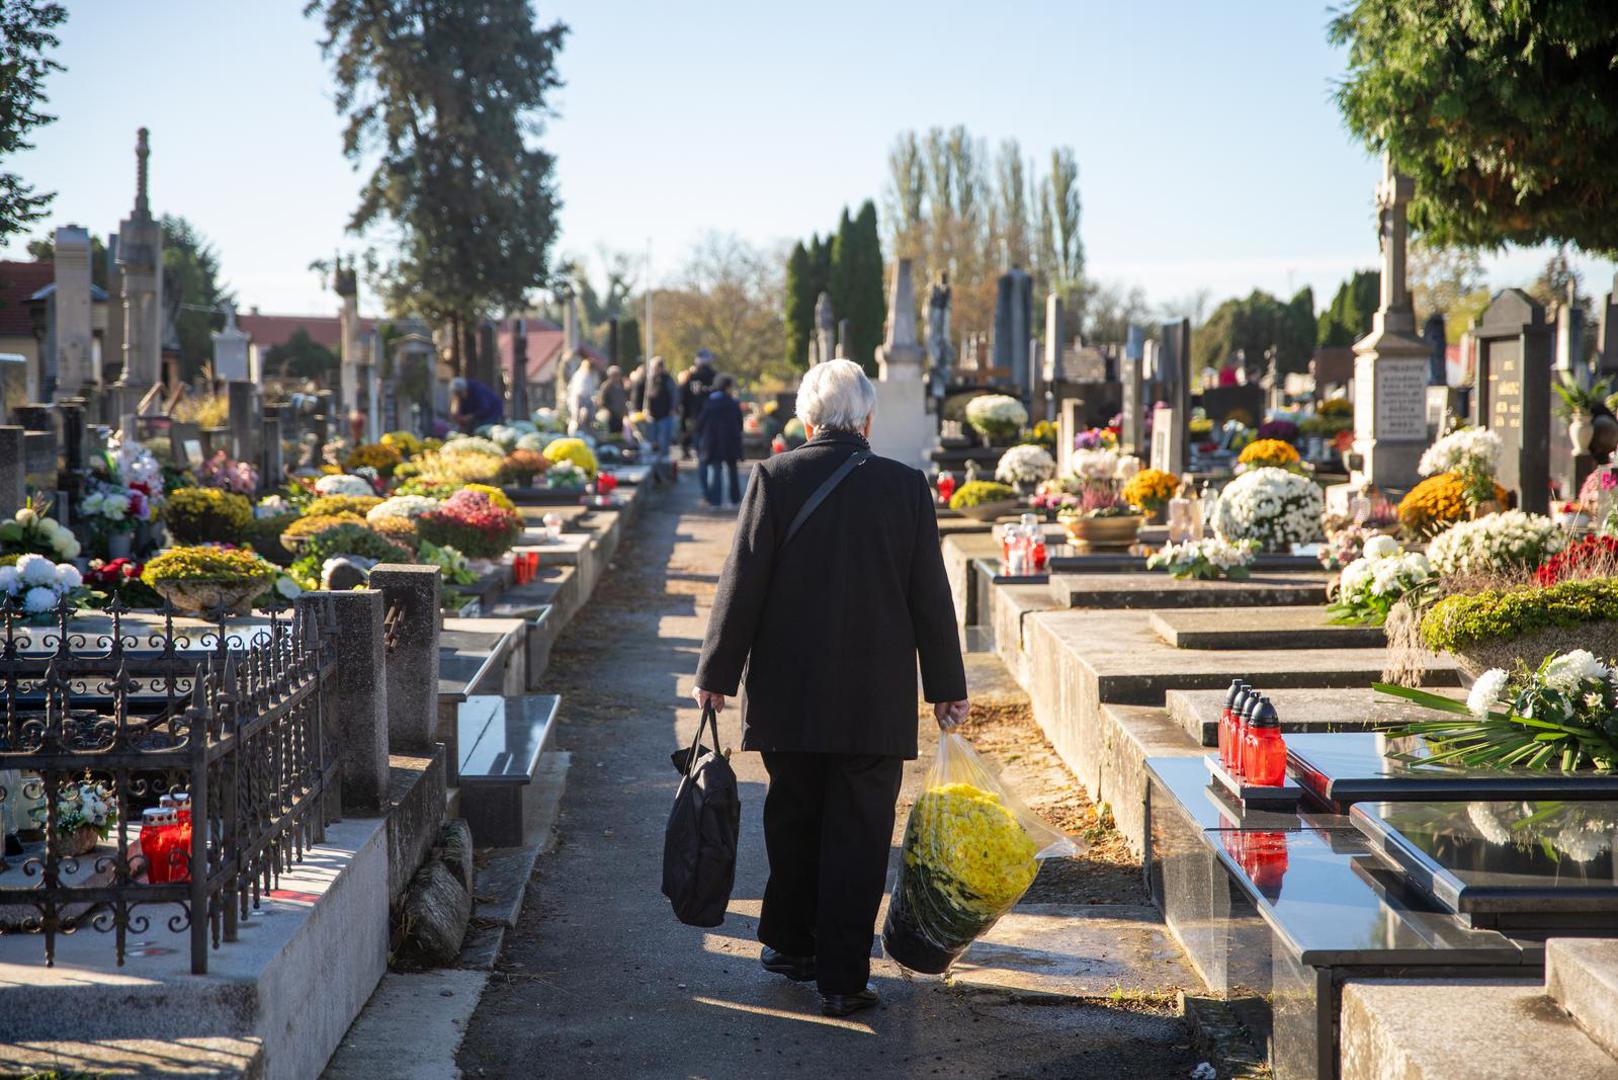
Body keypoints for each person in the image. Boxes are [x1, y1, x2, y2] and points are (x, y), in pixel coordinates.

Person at [691, 359, 969, 1018]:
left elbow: (743, 582)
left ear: (806, 419)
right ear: (867, 419)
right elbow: (930, 597)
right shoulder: (906, 488)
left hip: (791, 693)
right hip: (874, 698)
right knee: (860, 835)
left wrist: (716, 676)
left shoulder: (775, 478)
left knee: (793, 819)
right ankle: (842, 979)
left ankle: (789, 943)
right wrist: (946, 687)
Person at [695, 373, 744, 508]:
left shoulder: (709, 403)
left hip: (713, 442)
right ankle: (735, 500)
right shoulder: (733, 403)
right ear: (727, 387)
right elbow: (740, 423)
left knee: (715, 471)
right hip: (730, 441)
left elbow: (700, 423)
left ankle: (715, 501)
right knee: (732, 471)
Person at [643, 356, 679, 474]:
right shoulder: (651, 379)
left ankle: (664, 469)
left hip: (665, 414)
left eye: (654, 367)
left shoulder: (668, 379)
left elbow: (674, 395)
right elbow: (647, 395)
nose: (653, 369)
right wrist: (646, 408)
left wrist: (673, 408)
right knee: (652, 440)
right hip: (652, 414)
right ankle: (654, 467)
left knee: (664, 441)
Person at [680, 349, 718, 459]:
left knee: (697, 435)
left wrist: (685, 413)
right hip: (710, 413)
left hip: (695, 413)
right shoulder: (714, 376)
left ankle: (697, 452)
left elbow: (684, 396)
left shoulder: (691, 376)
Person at [596, 365, 629, 437]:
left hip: (620, 416)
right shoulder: (606, 386)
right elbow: (601, 401)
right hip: (611, 416)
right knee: (611, 434)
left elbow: (624, 399)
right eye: (614, 375)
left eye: (618, 375)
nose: (617, 377)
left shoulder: (621, 385)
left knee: (619, 434)